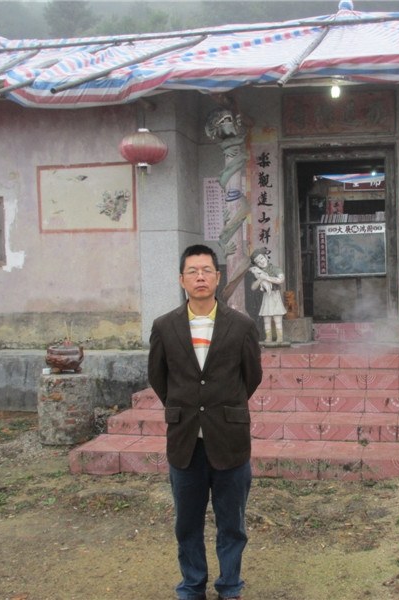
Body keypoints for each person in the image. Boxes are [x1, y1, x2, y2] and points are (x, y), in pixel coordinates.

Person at [148, 244, 263, 600]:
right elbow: (158, 377)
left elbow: (251, 377)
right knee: (187, 524)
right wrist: (187, 408)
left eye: (206, 271)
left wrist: (219, 407)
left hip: (229, 439)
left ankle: (230, 585)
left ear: (217, 277)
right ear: (181, 279)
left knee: (232, 523)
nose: (200, 277)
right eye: (192, 271)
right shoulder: (164, 326)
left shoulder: (241, 326)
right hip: (185, 441)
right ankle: (192, 585)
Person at [248, 248, 287, 344]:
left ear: (265, 257)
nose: (261, 262)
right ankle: (268, 338)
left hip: (275, 295)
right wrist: (260, 279)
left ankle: (280, 338)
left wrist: (267, 277)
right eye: (257, 261)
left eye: (261, 258)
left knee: (277, 319)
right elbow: (253, 287)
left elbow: (281, 279)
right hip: (266, 296)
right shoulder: (258, 272)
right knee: (266, 319)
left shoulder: (275, 269)